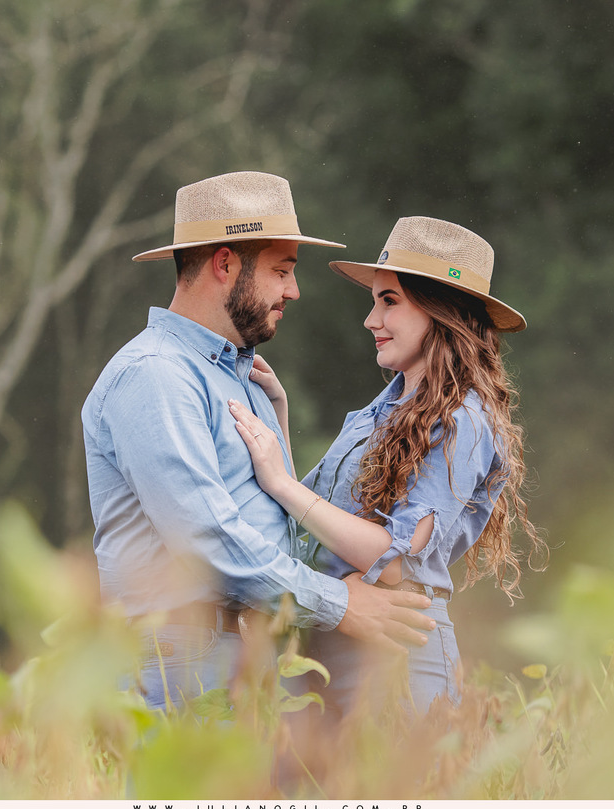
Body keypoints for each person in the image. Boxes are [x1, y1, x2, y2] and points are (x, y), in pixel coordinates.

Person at [81, 172, 434, 710]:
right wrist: (340, 603)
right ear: (224, 265)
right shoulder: (156, 375)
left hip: (242, 659)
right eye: (281, 271)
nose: (294, 290)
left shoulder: (237, 378)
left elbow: (272, 526)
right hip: (183, 667)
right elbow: (207, 538)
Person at [229, 215, 548, 718]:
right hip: (331, 644)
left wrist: (281, 484)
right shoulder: (380, 411)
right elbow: (317, 523)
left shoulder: (465, 420)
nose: (371, 320)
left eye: (390, 301)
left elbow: (394, 560)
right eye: (374, 301)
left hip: (396, 655)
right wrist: (279, 412)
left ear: (443, 311)